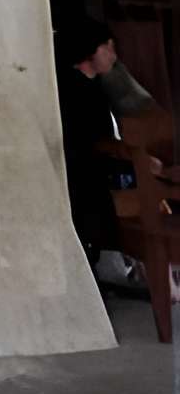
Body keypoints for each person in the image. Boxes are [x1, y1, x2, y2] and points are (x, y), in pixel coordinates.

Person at [55, 23, 133, 279]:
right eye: (107, 47)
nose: (112, 53)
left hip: (98, 168)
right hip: (81, 173)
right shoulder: (72, 89)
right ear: (90, 50)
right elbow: (88, 139)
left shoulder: (95, 87)